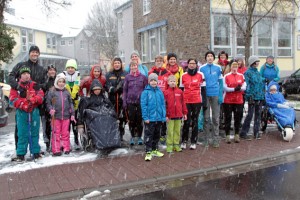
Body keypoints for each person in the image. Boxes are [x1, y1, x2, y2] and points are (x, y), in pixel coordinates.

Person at [8, 45, 47, 150]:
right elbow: (10, 77)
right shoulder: (21, 65)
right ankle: (19, 150)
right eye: (32, 52)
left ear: (39, 54)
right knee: (20, 128)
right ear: (29, 53)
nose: (34, 54)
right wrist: (17, 87)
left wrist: (40, 87)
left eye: (36, 52)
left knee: (34, 127)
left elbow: (45, 83)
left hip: (35, 103)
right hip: (21, 101)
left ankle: (35, 149)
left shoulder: (41, 69)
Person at [10, 67, 44, 162]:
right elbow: (12, 99)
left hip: (34, 111)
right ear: (20, 76)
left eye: (28, 74)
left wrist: (34, 100)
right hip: (22, 113)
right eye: (24, 74)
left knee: (34, 132)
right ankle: (20, 153)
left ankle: (35, 151)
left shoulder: (35, 85)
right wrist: (23, 104)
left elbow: (41, 96)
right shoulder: (16, 87)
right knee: (22, 133)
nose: (26, 75)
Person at [77, 79, 121, 150]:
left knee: (109, 121)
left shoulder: (105, 99)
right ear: (92, 90)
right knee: (99, 123)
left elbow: (111, 108)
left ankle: (112, 142)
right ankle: (102, 143)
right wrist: (80, 124)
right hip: (94, 119)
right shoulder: (87, 100)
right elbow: (82, 112)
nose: (97, 90)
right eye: (95, 89)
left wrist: (115, 117)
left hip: (105, 117)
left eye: (98, 89)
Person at [46, 73, 75, 156]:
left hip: (66, 116)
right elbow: (48, 102)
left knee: (65, 133)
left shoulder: (67, 92)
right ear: (56, 82)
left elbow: (71, 103)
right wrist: (50, 109)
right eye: (59, 81)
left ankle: (66, 148)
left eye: (63, 81)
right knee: (56, 133)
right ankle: (56, 149)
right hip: (56, 117)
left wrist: (72, 113)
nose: (61, 83)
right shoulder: (52, 91)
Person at [199, 51, 223, 148]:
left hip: (215, 94)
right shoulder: (201, 68)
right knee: (206, 118)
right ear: (206, 58)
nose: (209, 58)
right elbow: (200, 83)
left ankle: (216, 139)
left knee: (215, 118)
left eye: (211, 56)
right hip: (205, 95)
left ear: (214, 58)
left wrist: (220, 95)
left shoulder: (218, 68)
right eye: (208, 56)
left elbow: (221, 82)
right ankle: (206, 139)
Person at [180, 58, 204, 150]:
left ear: (196, 65)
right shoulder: (183, 75)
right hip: (186, 101)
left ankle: (193, 141)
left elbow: (203, 89)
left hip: (197, 101)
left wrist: (204, 102)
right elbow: (181, 89)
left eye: (194, 63)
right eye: (190, 63)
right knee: (186, 121)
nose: (192, 65)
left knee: (195, 121)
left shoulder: (201, 75)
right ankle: (184, 141)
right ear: (188, 64)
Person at [141, 73, 166, 161]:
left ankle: (155, 149)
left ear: (157, 81)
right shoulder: (145, 92)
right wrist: (145, 117)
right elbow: (144, 105)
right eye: (151, 80)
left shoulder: (160, 92)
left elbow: (163, 105)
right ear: (149, 82)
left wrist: (163, 117)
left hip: (158, 118)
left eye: (155, 80)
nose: (153, 82)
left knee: (156, 135)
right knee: (149, 135)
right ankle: (148, 151)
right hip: (149, 119)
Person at [148, 55, 172, 145]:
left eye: (160, 61)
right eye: (157, 60)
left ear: (163, 62)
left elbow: (170, 85)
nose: (159, 62)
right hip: (153, 98)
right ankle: (154, 134)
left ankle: (163, 134)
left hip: (164, 98)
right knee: (154, 116)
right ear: (155, 62)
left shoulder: (167, 72)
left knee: (163, 116)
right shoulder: (151, 72)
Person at [123, 61, 148, 145]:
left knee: (139, 120)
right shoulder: (127, 77)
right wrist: (124, 101)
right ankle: (133, 136)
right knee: (131, 120)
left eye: (135, 66)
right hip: (130, 102)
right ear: (130, 67)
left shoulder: (143, 77)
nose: (133, 68)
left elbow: (146, 89)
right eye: (132, 66)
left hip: (140, 102)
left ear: (137, 67)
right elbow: (125, 90)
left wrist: (146, 101)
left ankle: (140, 136)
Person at [240, 55, 265, 140]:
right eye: (256, 61)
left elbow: (260, 84)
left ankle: (256, 132)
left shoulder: (257, 72)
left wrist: (263, 94)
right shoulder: (247, 73)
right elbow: (247, 85)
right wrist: (249, 96)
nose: (258, 63)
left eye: (258, 61)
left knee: (258, 115)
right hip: (252, 97)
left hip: (259, 96)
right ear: (252, 63)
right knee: (250, 115)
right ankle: (244, 132)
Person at [223, 62, 246, 143]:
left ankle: (237, 134)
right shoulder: (226, 76)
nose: (234, 68)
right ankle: (227, 135)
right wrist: (233, 89)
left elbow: (244, 86)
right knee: (228, 117)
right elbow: (225, 87)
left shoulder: (241, 76)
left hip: (238, 100)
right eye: (233, 66)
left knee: (238, 117)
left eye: (236, 67)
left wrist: (239, 88)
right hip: (228, 100)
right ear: (230, 67)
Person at [105, 57, 128, 141]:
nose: (117, 64)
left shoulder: (125, 73)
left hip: (122, 99)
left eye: (118, 63)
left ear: (121, 64)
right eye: (115, 63)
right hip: (112, 99)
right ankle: (114, 134)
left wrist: (124, 89)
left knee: (122, 118)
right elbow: (106, 85)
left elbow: (128, 84)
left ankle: (121, 134)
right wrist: (112, 89)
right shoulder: (109, 74)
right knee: (113, 117)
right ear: (113, 64)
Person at [164, 75, 187, 153]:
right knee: (170, 131)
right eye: (171, 81)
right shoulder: (166, 92)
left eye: (174, 81)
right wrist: (166, 115)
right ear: (168, 82)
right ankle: (169, 145)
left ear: (176, 82)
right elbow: (165, 105)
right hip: (170, 116)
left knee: (177, 130)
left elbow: (183, 103)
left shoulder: (180, 91)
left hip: (179, 115)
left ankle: (176, 145)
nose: (173, 83)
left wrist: (185, 113)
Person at [63, 59, 81, 150]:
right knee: (66, 125)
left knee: (75, 124)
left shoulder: (77, 77)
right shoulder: (63, 77)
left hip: (75, 104)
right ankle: (66, 142)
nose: (70, 69)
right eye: (69, 68)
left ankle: (76, 140)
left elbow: (77, 87)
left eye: (72, 68)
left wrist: (73, 96)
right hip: (65, 105)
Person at [42, 64, 57, 152]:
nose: (52, 71)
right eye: (50, 70)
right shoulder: (45, 80)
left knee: (55, 126)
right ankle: (48, 144)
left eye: (53, 70)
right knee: (46, 126)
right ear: (47, 71)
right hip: (45, 107)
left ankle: (56, 143)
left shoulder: (58, 80)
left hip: (55, 106)